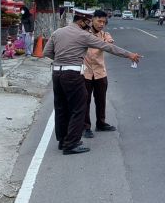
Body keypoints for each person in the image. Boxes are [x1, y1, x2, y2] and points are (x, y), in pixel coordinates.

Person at [43, 10, 141, 155]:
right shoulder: (83, 35)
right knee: (78, 108)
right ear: (81, 21)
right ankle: (71, 144)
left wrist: (62, 61)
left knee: (61, 107)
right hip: (73, 74)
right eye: (87, 22)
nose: (89, 25)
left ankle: (63, 141)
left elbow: (47, 52)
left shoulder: (57, 32)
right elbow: (109, 48)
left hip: (57, 73)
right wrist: (129, 55)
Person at [82, 10, 116, 139]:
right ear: (92, 20)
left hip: (100, 72)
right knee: (85, 101)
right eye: (99, 21)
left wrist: (108, 43)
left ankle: (101, 123)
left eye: (104, 22)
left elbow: (110, 44)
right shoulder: (84, 34)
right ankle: (85, 127)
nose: (101, 24)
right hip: (85, 72)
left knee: (101, 100)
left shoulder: (105, 34)